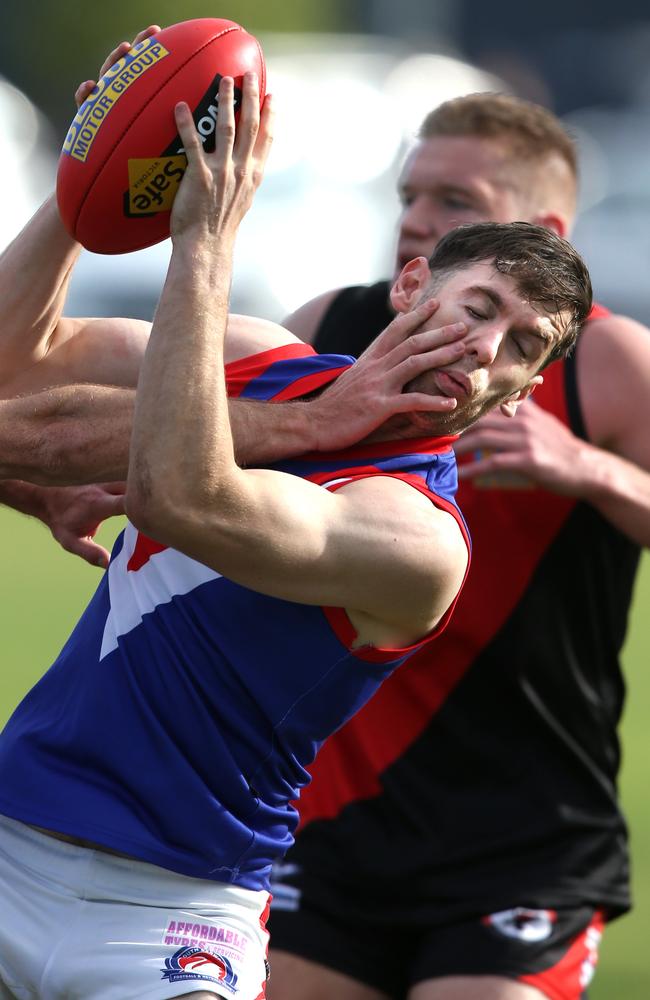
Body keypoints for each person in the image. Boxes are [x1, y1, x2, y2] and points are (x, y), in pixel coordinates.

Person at [0, 70, 592, 999]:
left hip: (172, 915)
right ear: (410, 288)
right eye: (480, 309)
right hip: (9, 834)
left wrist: (206, 237)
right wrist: (84, 181)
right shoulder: (260, 363)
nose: (485, 347)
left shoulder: (420, 539)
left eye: (522, 348)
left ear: (517, 396)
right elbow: (12, 366)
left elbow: (181, 496)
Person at [266, 95, 650, 1000]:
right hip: (323, 818)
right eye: (409, 194)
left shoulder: (605, 365)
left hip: (524, 839)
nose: (415, 219)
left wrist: (588, 467)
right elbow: (207, 463)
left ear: (544, 231)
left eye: (454, 202)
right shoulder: (325, 331)